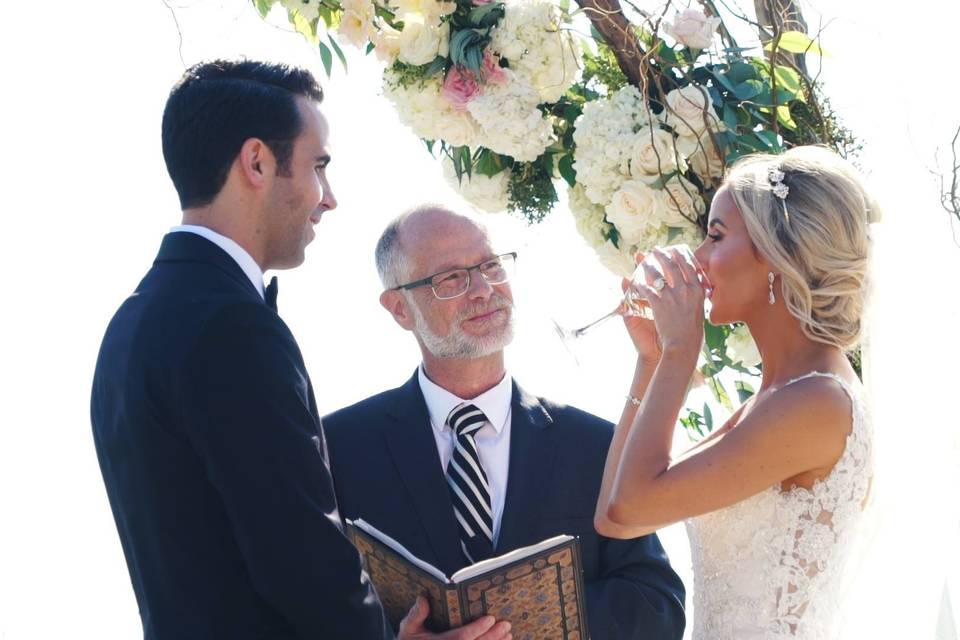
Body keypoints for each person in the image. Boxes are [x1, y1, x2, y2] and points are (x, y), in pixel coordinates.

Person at [90, 60, 509, 640]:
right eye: (318, 167)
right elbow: (297, 553)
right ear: (257, 161)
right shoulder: (231, 324)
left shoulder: (134, 321)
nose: (328, 198)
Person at [323, 205, 687, 639]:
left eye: (490, 266)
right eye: (450, 278)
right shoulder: (337, 448)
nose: (481, 289)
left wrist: (532, 627)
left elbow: (658, 605)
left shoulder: (597, 445)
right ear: (399, 308)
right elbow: (298, 604)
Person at [594, 146, 877, 638]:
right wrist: (652, 362)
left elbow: (629, 506)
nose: (699, 258)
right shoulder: (775, 398)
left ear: (775, 254)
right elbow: (615, 521)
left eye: (716, 236)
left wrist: (683, 352)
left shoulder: (817, 404)